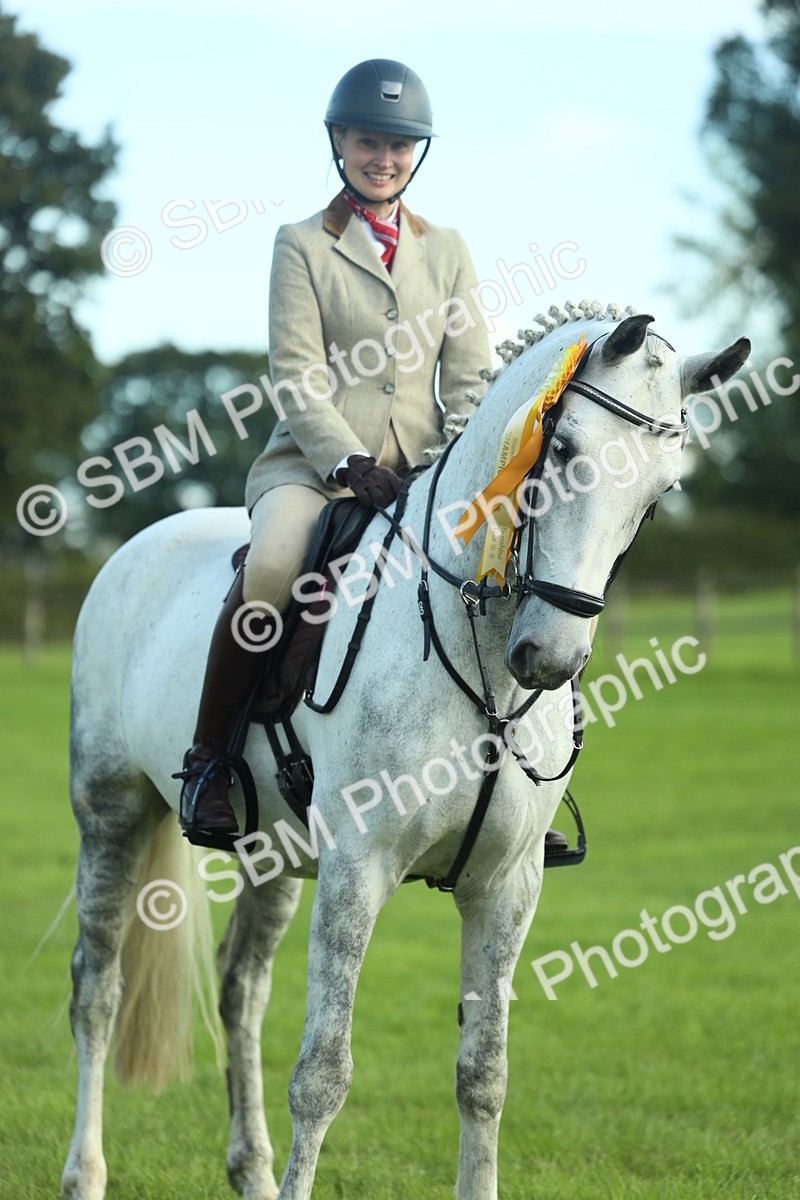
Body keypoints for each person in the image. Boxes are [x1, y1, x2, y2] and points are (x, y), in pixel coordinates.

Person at [177, 58, 493, 834]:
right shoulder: (300, 245)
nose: (383, 158)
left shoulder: (448, 249)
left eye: (399, 144)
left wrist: (458, 464)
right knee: (277, 565)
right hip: (314, 472)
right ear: (339, 143)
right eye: (367, 142)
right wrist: (349, 462)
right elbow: (295, 375)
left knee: (500, 570)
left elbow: (472, 378)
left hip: (420, 476)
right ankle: (209, 762)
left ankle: (510, 778)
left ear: (417, 152)